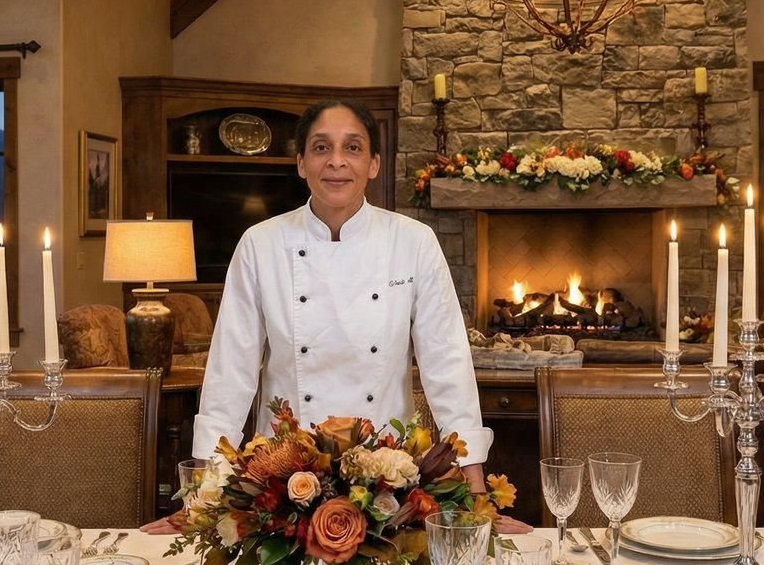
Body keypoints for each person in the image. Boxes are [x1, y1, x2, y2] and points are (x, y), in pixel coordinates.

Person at [145, 99, 527, 531]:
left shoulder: (413, 243)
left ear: (374, 163)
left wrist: (477, 498)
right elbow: (229, 375)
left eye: (353, 147)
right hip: (284, 481)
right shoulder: (261, 244)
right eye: (321, 148)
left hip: (388, 480)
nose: (337, 162)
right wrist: (202, 497)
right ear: (301, 163)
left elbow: (448, 366)